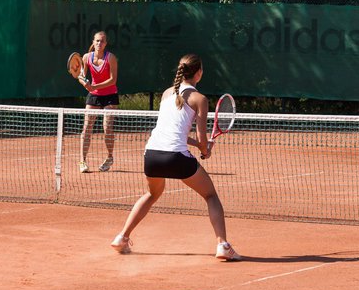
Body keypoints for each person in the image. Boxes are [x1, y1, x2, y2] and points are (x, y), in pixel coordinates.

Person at [111, 53, 241, 261]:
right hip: (176, 158)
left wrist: (200, 145)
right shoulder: (200, 99)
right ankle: (222, 245)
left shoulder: (166, 94)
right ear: (198, 73)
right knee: (210, 196)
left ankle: (122, 237)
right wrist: (205, 149)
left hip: (152, 155)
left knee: (152, 194)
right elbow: (201, 139)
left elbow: (174, 132)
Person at [78, 31, 119, 172]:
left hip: (110, 95)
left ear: (105, 44)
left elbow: (113, 80)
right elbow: (81, 76)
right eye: (97, 41)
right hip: (94, 95)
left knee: (107, 127)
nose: (99, 43)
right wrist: (85, 84)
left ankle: (109, 157)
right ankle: (82, 161)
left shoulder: (111, 58)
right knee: (87, 127)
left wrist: (94, 86)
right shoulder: (86, 57)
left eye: (101, 41)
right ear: (93, 42)